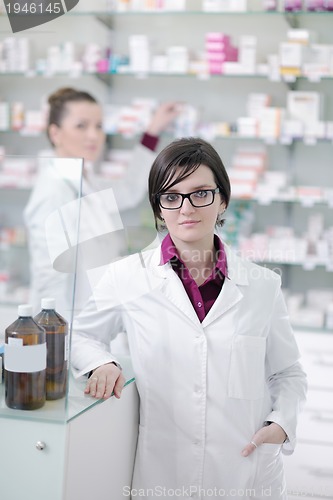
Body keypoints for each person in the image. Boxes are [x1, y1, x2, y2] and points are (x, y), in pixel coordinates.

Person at [71, 137, 307, 499]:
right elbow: (81, 336)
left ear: (222, 199)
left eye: (200, 193)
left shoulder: (262, 286)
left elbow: (287, 372)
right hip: (164, 472)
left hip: (245, 471)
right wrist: (102, 362)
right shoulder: (127, 278)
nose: (186, 208)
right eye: (171, 196)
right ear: (159, 208)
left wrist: (281, 424)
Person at [24, 87, 180, 317]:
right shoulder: (53, 190)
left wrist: (153, 131)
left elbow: (129, 190)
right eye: (81, 126)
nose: (93, 135)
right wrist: (56, 338)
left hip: (95, 319)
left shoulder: (86, 180)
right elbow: (49, 275)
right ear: (55, 133)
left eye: (98, 126)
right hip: (66, 327)